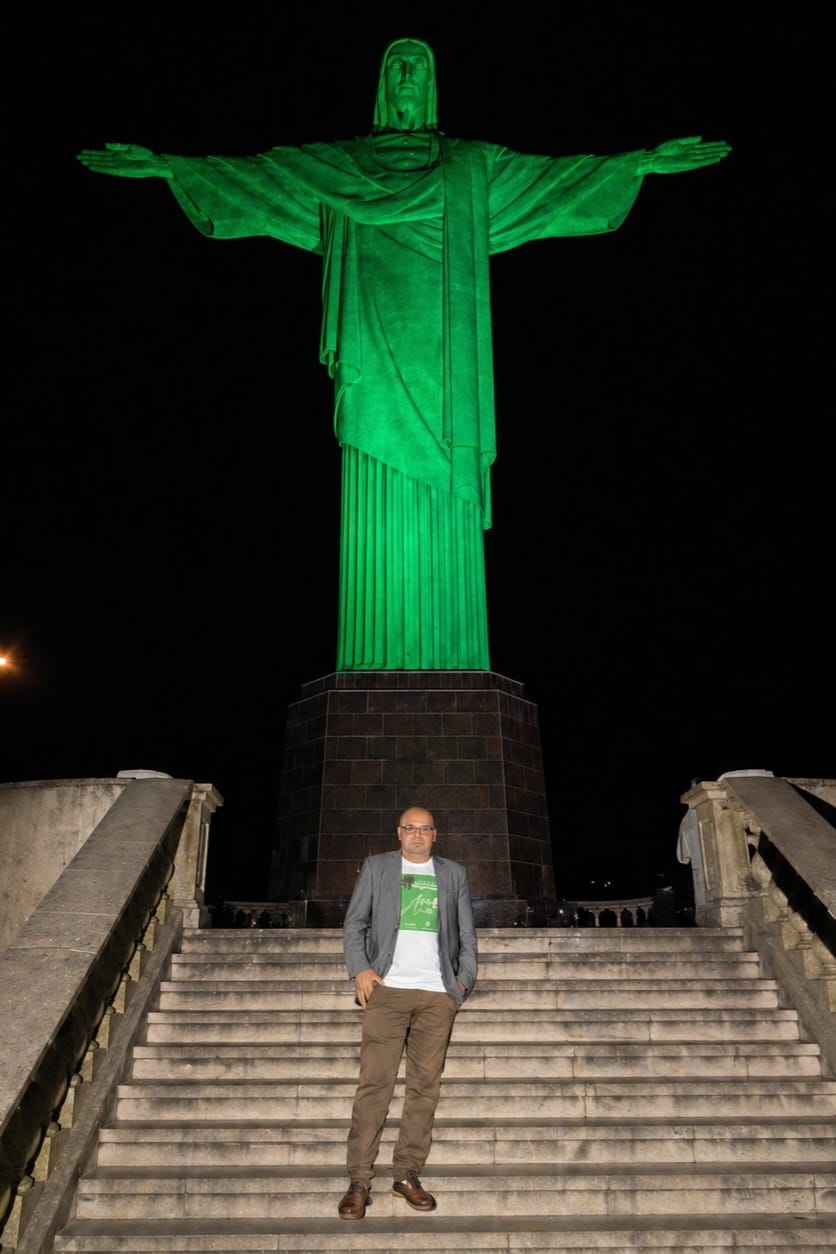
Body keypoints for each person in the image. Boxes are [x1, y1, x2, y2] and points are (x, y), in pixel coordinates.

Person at [76, 38, 731, 673]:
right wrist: (171, 167)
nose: (410, 75)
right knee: (375, 507)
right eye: (399, 66)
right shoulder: (340, 166)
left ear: (434, 84)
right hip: (373, 364)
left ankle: (451, 656)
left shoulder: (473, 166)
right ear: (384, 86)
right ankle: (374, 655)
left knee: (446, 504)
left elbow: (558, 181)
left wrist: (639, 162)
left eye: (420, 65)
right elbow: (261, 177)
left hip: (449, 373)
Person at [338, 805, 477, 1219]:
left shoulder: (453, 874)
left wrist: (462, 982)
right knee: (374, 1087)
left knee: (424, 1089)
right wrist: (360, 969)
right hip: (388, 991)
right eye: (410, 829)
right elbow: (354, 924)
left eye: (426, 829)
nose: (418, 836)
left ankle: (407, 1174)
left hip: (437, 995)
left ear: (435, 835)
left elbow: (466, 932)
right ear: (399, 833)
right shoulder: (378, 867)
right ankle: (360, 1179)